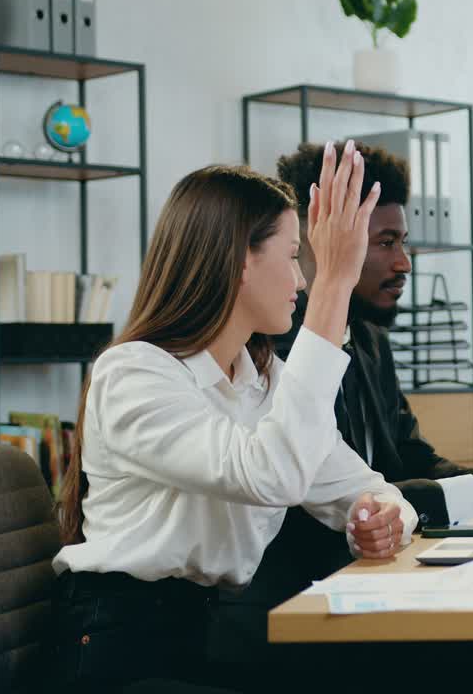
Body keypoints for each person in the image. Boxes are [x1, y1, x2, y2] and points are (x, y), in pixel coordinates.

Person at [47, 143, 428, 691]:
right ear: (239, 260)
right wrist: (335, 286)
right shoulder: (132, 374)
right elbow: (268, 473)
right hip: (121, 650)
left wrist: (382, 516)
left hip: (205, 634)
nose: (302, 280)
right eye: (293, 255)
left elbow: (366, 488)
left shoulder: (261, 383)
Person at [208, 141, 473, 668]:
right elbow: (321, 513)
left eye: (403, 241)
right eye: (382, 242)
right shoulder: (275, 356)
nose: (403, 262)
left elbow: (405, 461)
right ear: (320, 243)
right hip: (292, 608)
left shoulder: (368, 340)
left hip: (365, 582)